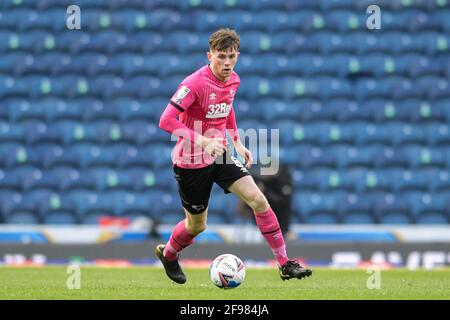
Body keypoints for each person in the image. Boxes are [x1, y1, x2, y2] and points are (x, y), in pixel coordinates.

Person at [156, 28, 312, 284]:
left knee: (259, 201)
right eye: (221, 57)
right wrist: (203, 140)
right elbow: (166, 120)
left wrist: (237, 142)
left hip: (220, 155)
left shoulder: (234, 80)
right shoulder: (193, 83)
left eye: (231, 56)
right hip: (191, 162)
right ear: (209, 56)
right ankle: (169, 254)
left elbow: (226, 109)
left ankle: (284, 263)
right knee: (196, 226)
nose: (227, 62)